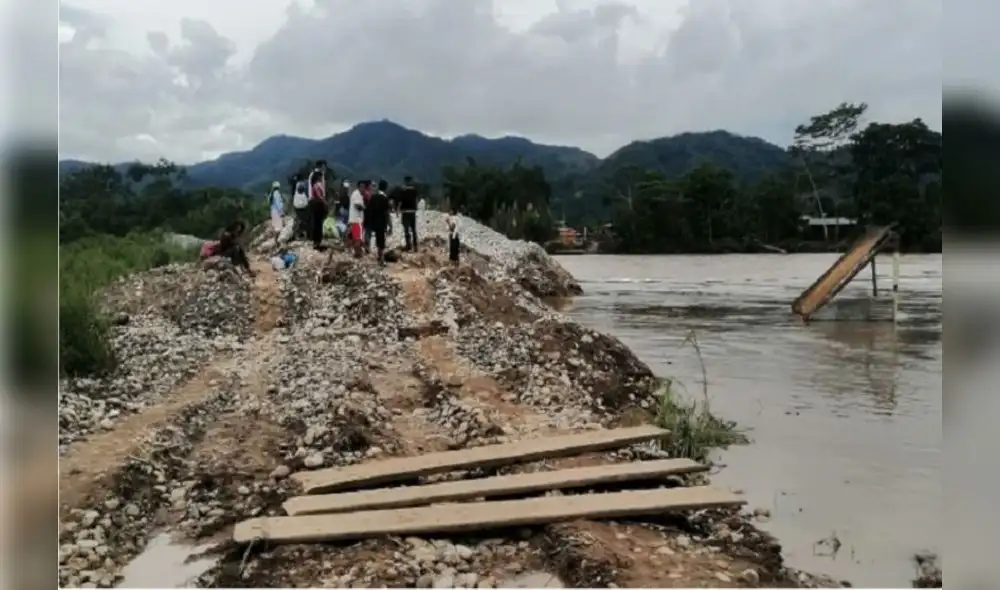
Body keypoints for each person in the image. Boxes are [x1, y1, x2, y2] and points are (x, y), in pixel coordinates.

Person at [367, 180, 392, 265]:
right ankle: (380, 259)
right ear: (386, 188)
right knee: (381, 240)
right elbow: (387, 213)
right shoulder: (385, 198)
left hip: (373, 221)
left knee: (377, 238)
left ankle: (376, 254)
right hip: (382, 222)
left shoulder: (373, 197)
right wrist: (390, 225)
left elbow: (369, 209)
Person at [308, 164, 328, 249]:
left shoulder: (314, 184)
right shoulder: (318, 185)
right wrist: (325, 203)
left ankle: (315, 242)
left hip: (315, 204)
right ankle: (317, 242)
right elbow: (320, 196)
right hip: (318, 204)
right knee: (318, 224)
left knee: (316, 223)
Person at [399, 175, 419, 252]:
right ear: (411, 181)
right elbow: (416, 200)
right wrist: (415, 208)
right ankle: (415, 246)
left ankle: (408, 245)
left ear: (405, 182)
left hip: (405, 212)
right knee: (414, 230)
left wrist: (398, 210)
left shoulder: (403, 191)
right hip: (413, 212)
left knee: (406, 230)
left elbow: (400, 202)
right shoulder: (415, 191)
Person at [347, 180, 367, 258]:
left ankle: (349, 252)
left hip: (353, 219)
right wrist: (365, 208)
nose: (363, 189)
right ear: (358, 187)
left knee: (351, 237)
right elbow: (357, 206)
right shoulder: (357, 194)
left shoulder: (357, 194)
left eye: (364, 187)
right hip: (357, 220)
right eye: (361, 187)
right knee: (357, 238)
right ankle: (357, 254)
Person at [292, 174, 310, 240]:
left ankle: (297, 234)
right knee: (306, 220)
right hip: (303, 206)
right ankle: (305, 234)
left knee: (298, 219)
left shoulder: (296, 185)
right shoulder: (304, 184)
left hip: (296, 206)